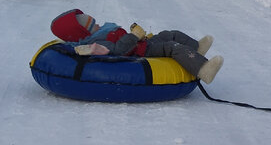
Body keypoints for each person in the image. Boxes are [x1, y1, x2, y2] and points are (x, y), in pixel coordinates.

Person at [50, 9, 224, 85]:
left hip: (141, 42)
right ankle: (203, 70)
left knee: (171, 33)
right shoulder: (95, 43)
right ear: (84, 34)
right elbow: (118, 50)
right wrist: (134, 36)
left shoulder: (101, 32)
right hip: (141, 51)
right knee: (172, 46)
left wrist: (138, 36)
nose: (97, 26)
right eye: (92, 26)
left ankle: (196, 49)